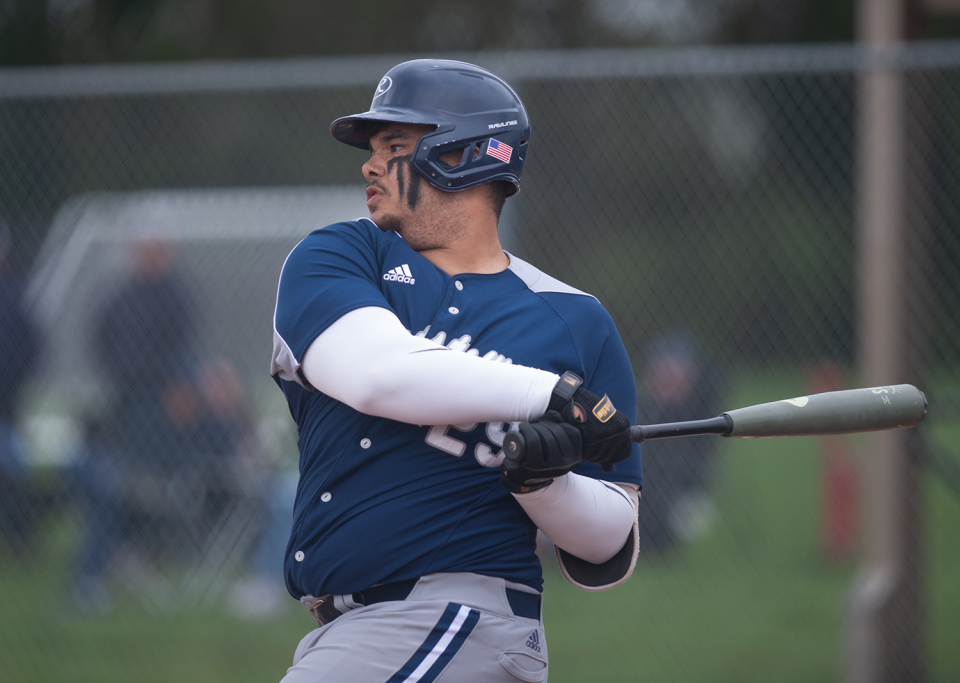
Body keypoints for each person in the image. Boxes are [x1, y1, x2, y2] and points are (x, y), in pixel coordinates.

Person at [270, 59, 643, 682]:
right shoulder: (341, 256)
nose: (368, 166)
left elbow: (608, 540)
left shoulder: (575, 320)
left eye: (393, 146)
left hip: (452, 620)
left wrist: (543, 483)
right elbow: (378, 375)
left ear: (463, 155)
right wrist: (544, 394)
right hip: (354, 634)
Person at [636, 334, 719, 552]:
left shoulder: (699, 421)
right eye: (662, 375)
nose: (668, 382)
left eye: (676, 376)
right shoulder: (643, 415)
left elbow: (695, 472)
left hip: (678, 496)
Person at [0, 215, 40, 557]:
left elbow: (32, 344)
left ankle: (19, 539)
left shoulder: (15, 296)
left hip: (7, 403)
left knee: (12, 472)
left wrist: (15, 380)